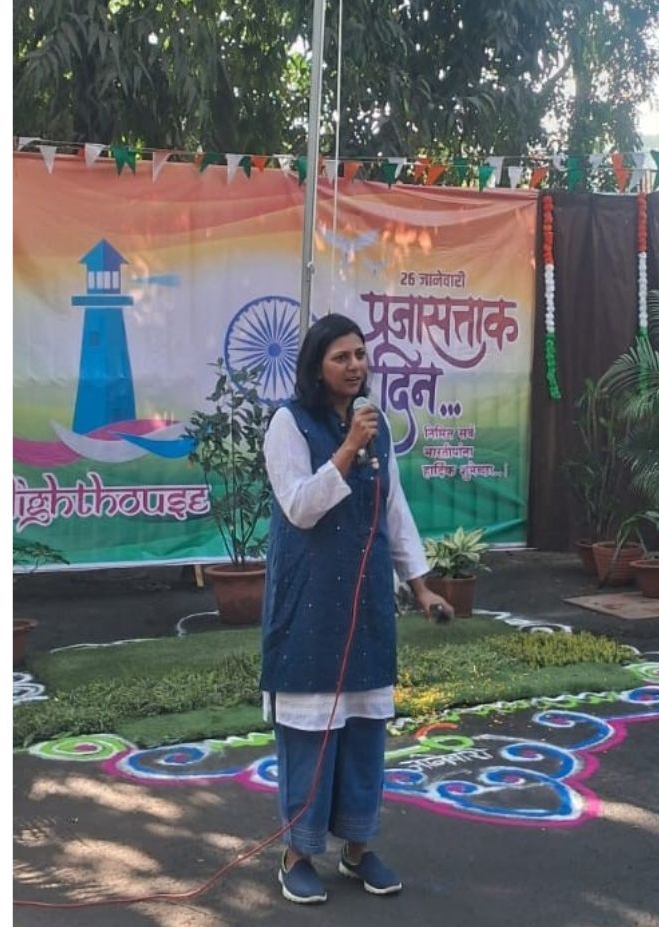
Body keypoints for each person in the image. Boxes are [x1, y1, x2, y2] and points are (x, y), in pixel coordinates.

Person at [260, 312, 451, 905]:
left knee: (365, 731)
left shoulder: (377, 426)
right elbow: (299, 507)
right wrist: (346, 450)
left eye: (361, 355)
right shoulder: (288, 424)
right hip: (308, 603)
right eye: (341, 356)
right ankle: (297, 855)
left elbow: (395, 511)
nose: (355, 366)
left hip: (366, 602)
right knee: (310, 733)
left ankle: (358, 848)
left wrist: (420, 586)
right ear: (316, 365)